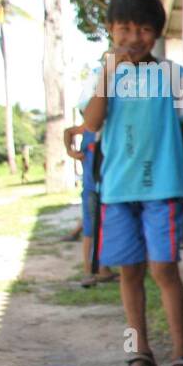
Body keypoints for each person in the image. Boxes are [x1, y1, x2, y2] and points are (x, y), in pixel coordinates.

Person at [82, 0, 183, 366]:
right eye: (124, 29)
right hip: (118, 190)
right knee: (130, 272)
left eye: (143, 30)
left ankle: (182, 355)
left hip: (164, 187)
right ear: (110, 31)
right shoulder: (104, 74)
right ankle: (140, 353)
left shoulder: (172, 75)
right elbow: (91, 122)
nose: (133, 38)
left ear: (156, 34)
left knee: (164, 270)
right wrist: (108, 74)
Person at [62, 121, 116, 286]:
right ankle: (90, 271)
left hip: (110, 188)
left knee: (102, 229)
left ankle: (102, 270)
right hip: (92, 188)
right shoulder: (88, 127)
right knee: (90, 230)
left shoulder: (111, 126)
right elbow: (68, 131)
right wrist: (70, 151)